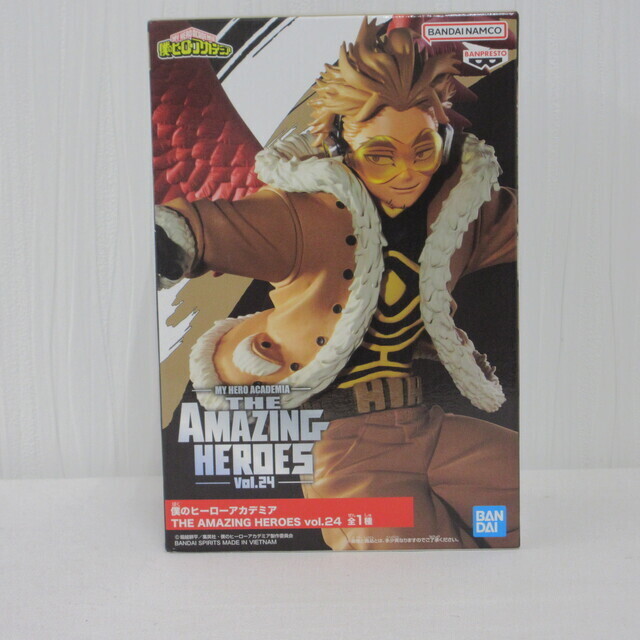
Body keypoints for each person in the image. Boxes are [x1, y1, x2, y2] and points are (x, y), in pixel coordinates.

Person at [155, 19, 518, 549]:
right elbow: (216, 228)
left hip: (428, 424)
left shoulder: (460, 211)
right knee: (405, 565)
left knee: (520, 498)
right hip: (344, 443)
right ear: (342, 145)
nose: (406, 174)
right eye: (381, 156)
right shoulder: (308, 215)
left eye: (423, 150)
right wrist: (173, 239)